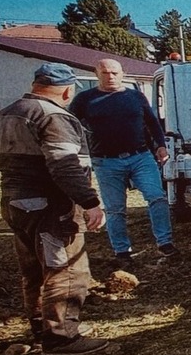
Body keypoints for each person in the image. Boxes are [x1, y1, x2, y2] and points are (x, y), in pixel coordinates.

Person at [0, 63, 110, 355]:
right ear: (67, 90)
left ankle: (41, 329)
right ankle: (61, 337)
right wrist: (90, 202)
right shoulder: (54, 116)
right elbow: (63, 166)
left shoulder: (8, 112)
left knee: (33, 270)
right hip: (49, 205)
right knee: (66, 269)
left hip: (13, 201)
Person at [69, 58, 178, 268]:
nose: (110, 76)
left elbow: (153, 122)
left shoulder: (135, 96)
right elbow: (70, 126)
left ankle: (165, 243)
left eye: (114, 73)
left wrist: (161, 145)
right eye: (105, 73)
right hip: (106, 161)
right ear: (97, 74)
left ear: (122, 74)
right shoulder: (85, 99)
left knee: (157, 198)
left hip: (140, 157)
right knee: (115, 208)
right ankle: (122, 251)